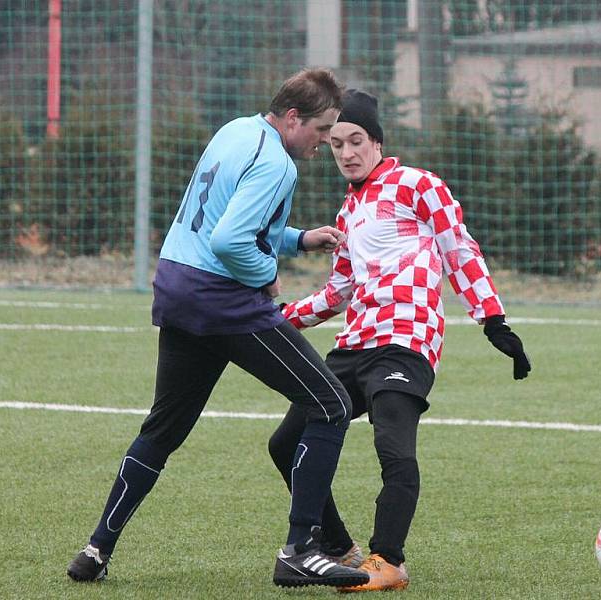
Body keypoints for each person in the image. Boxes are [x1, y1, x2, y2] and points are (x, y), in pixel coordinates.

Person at [66, 69, 370, 590]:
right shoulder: (278, 164)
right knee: (332, 404)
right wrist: (267, 275)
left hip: (177, 286)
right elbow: (231, 241)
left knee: (162, 428)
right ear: (293, 118)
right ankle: (300, 550)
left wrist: (297, 240)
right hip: (221, 301)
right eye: (321, 131)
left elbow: (219, 217)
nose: (325, 143)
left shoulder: (235, 131)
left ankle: (96, 549)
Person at [268, 89, 531, 592]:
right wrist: (279, 320)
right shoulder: (348, 213)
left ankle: (387, 560)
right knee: (285, 444)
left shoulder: (418, 185)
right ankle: (338, 546)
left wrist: (493, 320)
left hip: (406, 340)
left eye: (356, 140)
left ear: (378, 142)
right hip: (354, 346)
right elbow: (339, 291)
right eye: (337, 143)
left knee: (393, 442)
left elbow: (459, 247)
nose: (345, 152)